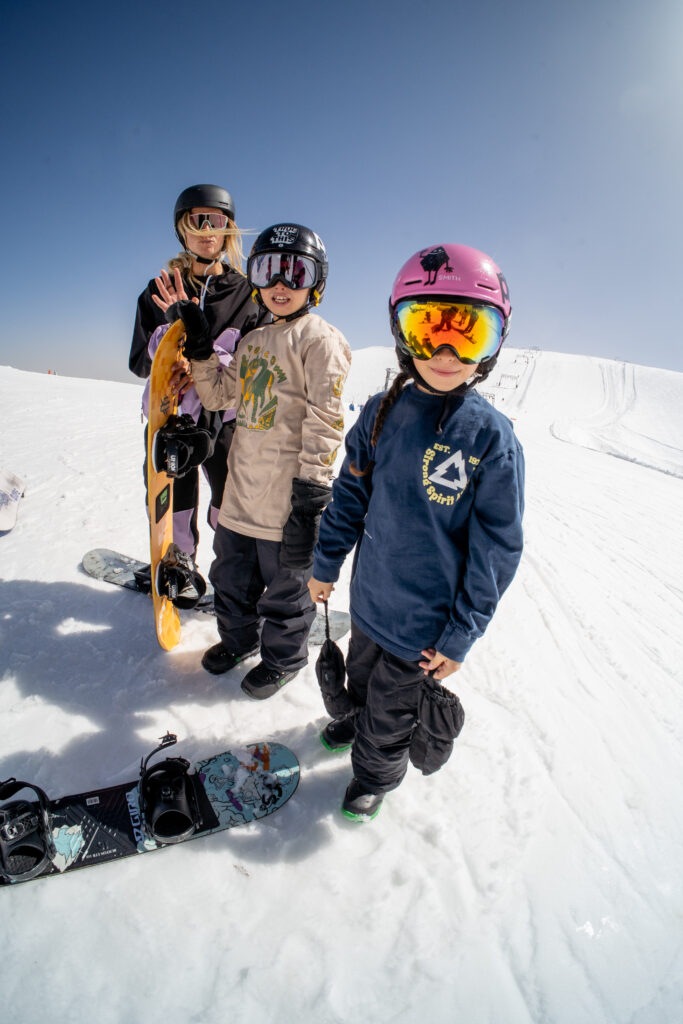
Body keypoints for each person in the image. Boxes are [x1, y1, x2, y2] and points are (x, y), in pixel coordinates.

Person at [307, 244, 525, 821]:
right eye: (429, 328)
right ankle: (353, 719)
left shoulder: (489, 438)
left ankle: (376, 774)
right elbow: (350, 495)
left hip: (424, 632)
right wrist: (326, 564)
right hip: (371, 605)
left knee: (392, 717)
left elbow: (496, 549)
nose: (448, 351)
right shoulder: (382, 411)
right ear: (404, 334)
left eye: (469, 333)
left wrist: (461, 636)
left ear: (494, 344)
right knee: (360, 682)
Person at [173, 223, 351, 698]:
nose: (280, 284)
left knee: (287, 594)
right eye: (269, 270)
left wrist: (312, 496)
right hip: (239, 498)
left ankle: (283, 658)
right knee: (230, 580)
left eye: (295, 272)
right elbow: (216, 394)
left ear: (316, 282)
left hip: (285, 503)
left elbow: (325, 419)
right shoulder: (253, 342)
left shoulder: (320, 340)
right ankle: (238, 641)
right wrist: (202, 350)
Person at [129, 184, 268, 577]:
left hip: (227, 416)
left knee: (233, 495)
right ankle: (179, 560)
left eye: (218, 221)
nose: (208, 230)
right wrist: (168, 349)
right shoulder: (158, 291)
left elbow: (257, 359)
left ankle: (237, 568)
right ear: (182, 228)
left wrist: (209, 361)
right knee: (175, 493)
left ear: (230, 229)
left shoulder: (248, 294)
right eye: (198, 220)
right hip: (172, 414)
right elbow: (141, 361)